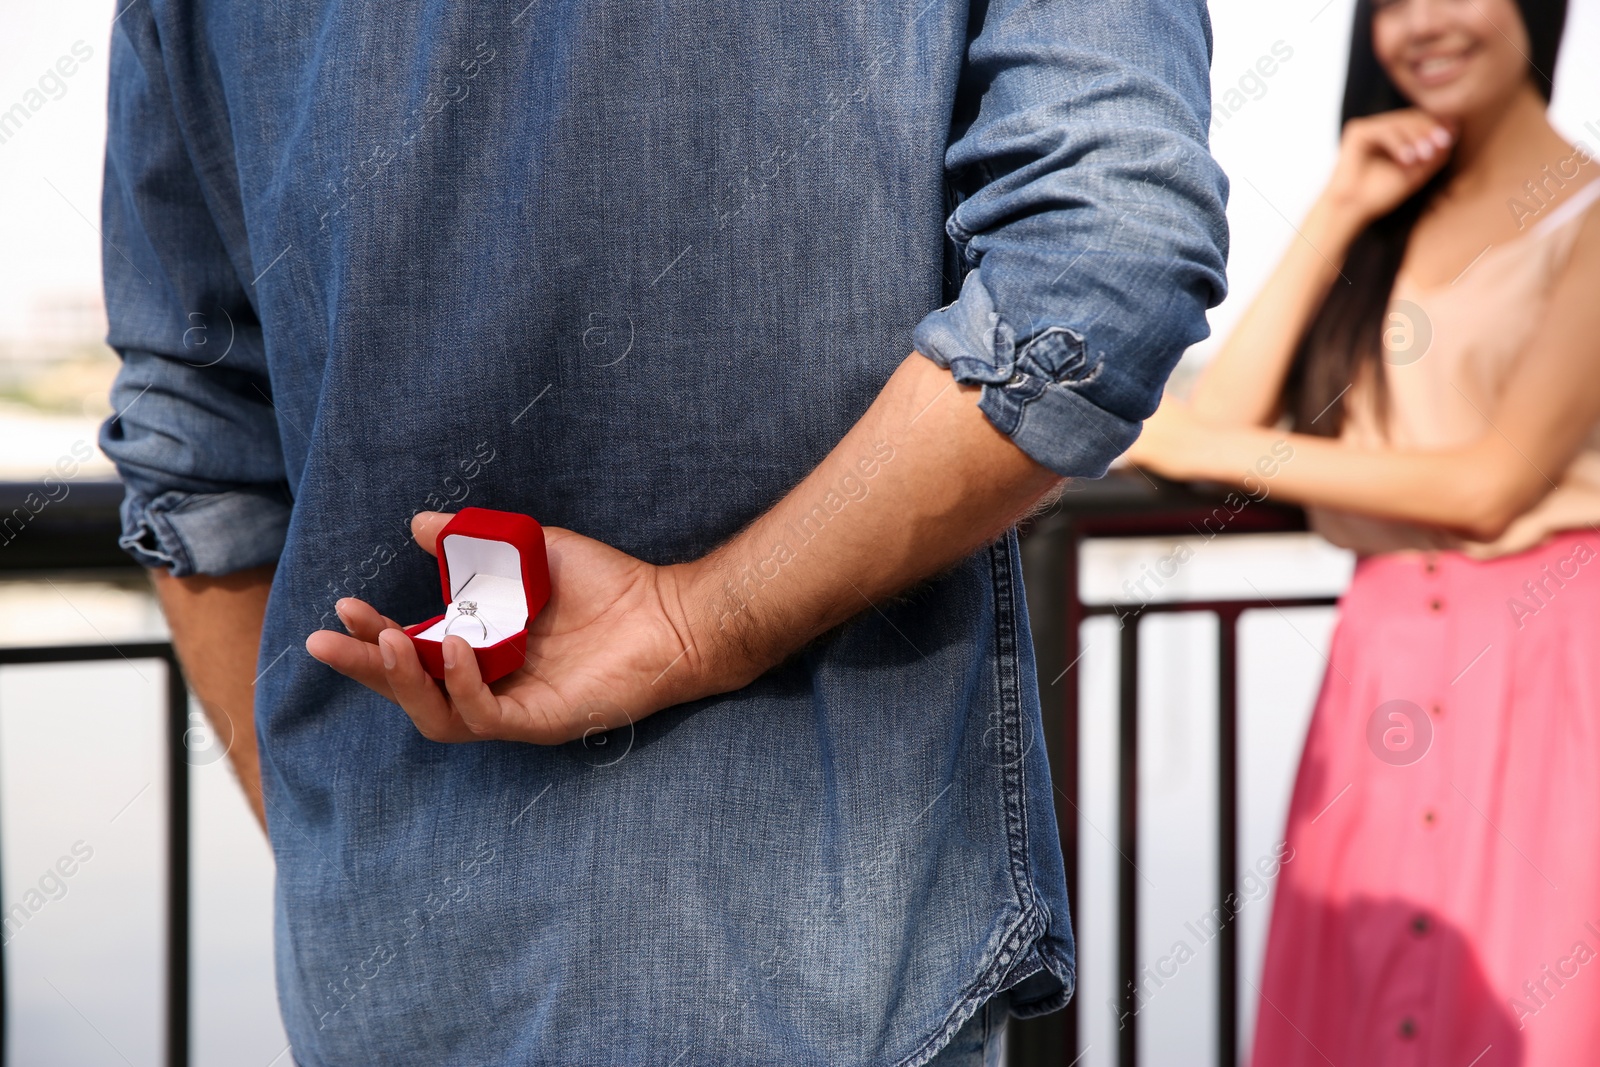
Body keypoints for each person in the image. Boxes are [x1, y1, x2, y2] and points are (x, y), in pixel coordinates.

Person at [99, 1, 1227, 1063]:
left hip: (385, 964)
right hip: (823, 953)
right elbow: (1100, 263)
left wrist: (330, 860)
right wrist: (704, 620)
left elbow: (193, 446)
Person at [1127, 0, 1600, 1061]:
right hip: (1381, 666)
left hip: (1552, 661)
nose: (1421, 22)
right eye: (1391, 3)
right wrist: (1338, 207)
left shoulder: (1589, 220)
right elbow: (1225, 412)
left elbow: (1490, 484)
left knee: (1538, 1005)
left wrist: (1199, 450)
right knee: (1358, 1005)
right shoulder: (1388, 225)